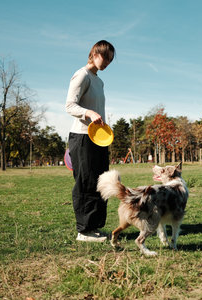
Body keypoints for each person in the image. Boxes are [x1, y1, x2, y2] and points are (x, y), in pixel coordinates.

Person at [65, 40, 115, 242]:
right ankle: (83, 231)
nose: (108, 62)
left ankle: (94, 228)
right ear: (94, 53)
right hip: (82, 138)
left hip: (98, 139)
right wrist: (88, 113)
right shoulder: (82, 75)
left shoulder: (98, 81)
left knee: (100, 182)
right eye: (105, 57)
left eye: (111, 59)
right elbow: (69, 106)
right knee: (85, 183)